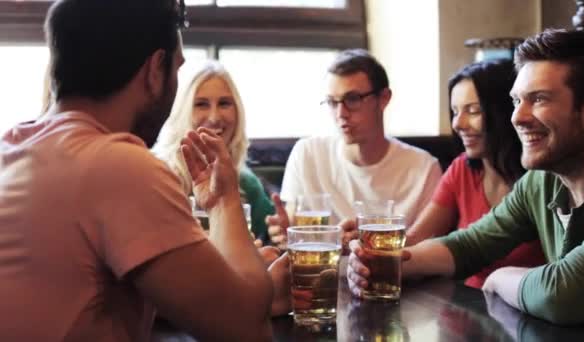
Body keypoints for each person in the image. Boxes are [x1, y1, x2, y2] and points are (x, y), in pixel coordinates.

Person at [0, 0, 283, 340]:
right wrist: (224, 202)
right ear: (155, 71)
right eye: (176, 70)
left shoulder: (12, 146)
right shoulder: (117, 165)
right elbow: (247, 329)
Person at [347, 28, 584, 324]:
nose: (517, 117)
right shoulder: (542, 181)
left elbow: (562, 294)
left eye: (539, 99)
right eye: (516, 101)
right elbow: (470, 244)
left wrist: (501, 278)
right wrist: (389, 265)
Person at [267, 49, 442, 247]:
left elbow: (426, 249)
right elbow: (292, 224)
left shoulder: (424, 168)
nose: (341, 113)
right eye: (333, 102)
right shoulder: (308, 154)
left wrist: (372, 245)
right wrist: (284, 230)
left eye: (352, 100)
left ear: (384, 98)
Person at [406, 60, 545, 289]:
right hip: (468, 309)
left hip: (527, 311)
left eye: (473, 111)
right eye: (455, 111)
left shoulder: (542, 178)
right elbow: (415, 240)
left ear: (504, 111)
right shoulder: (462, 169)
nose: (458, 124)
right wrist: (369, 247)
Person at [154, 60, 275, 242]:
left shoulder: (246, 183)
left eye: (224, 103)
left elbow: (270, 239)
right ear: (181, 112)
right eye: (201, 104)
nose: (214, 117)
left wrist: (279, 232)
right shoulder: (156, 176)